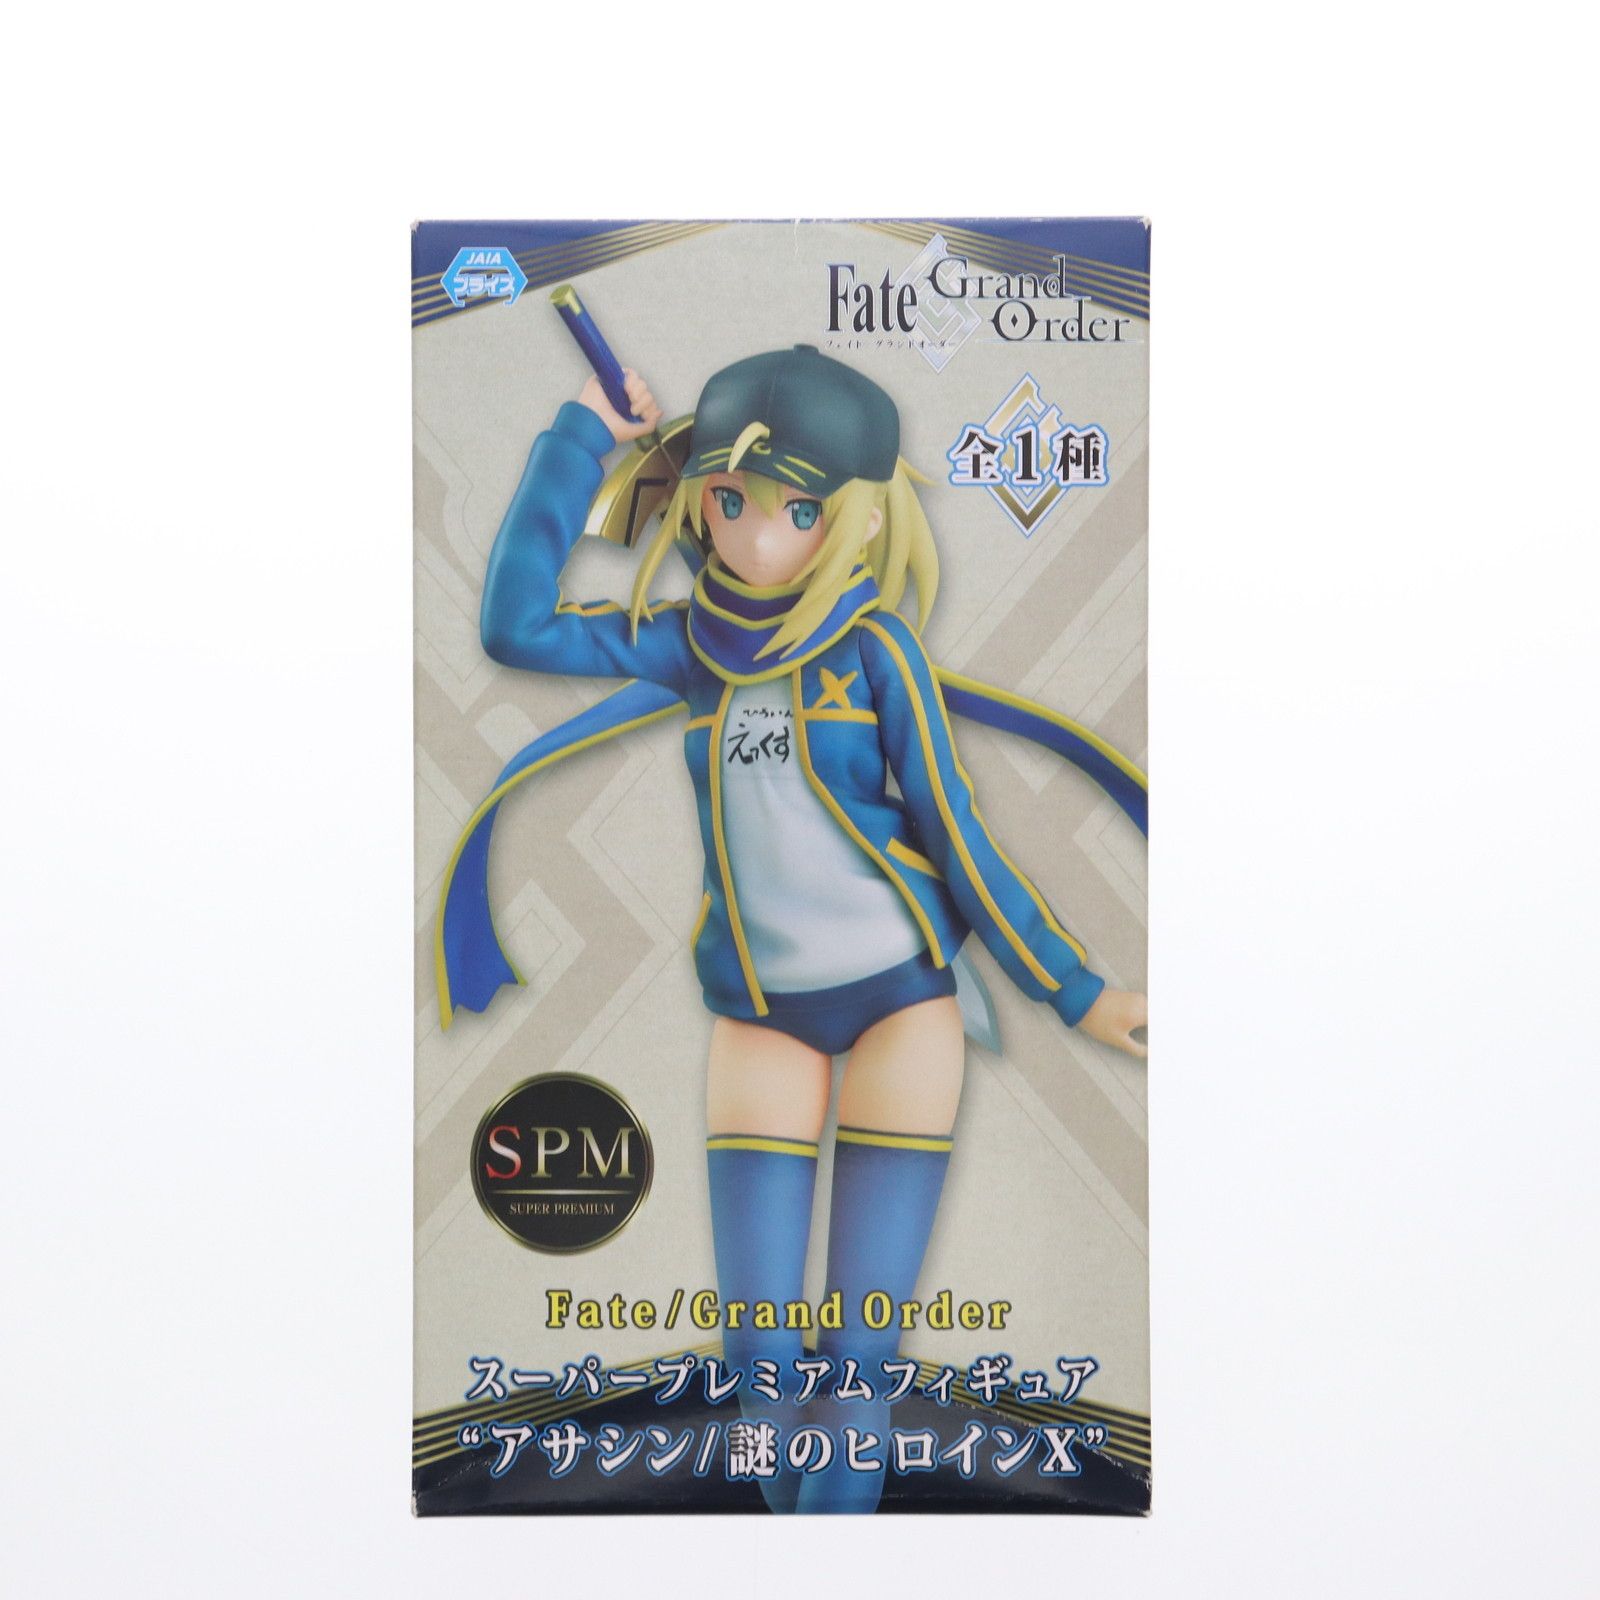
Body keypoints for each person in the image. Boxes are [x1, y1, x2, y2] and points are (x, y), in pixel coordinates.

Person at [459, 344, 1147, 1513]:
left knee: (858, 1368)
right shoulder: (691, 647)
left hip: (900, 1006)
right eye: (729, 502)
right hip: (760, 1011)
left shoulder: (875, 651)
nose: (756, 536)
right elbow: (515, 626)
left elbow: (956, 830)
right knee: (760, 1373)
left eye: (795, 510)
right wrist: (583, 435)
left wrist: (1075, 989)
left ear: (859, 516)